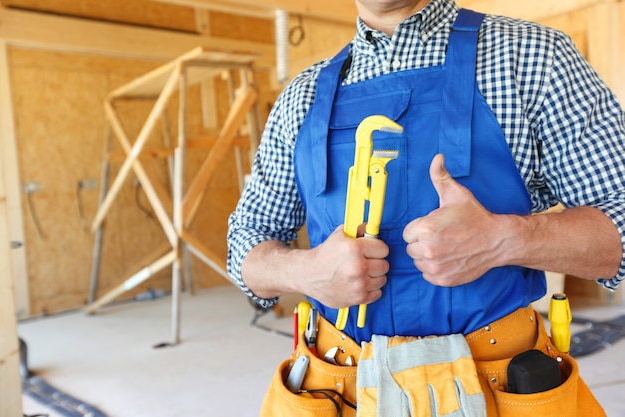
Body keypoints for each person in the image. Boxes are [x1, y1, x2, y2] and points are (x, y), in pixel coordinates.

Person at [227, 0, 625, 415]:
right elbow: (245, 245)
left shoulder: (533, 57)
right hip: (338, 388)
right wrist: (304, 271)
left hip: (503, 382)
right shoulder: (300, 98)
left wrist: (503, 239)